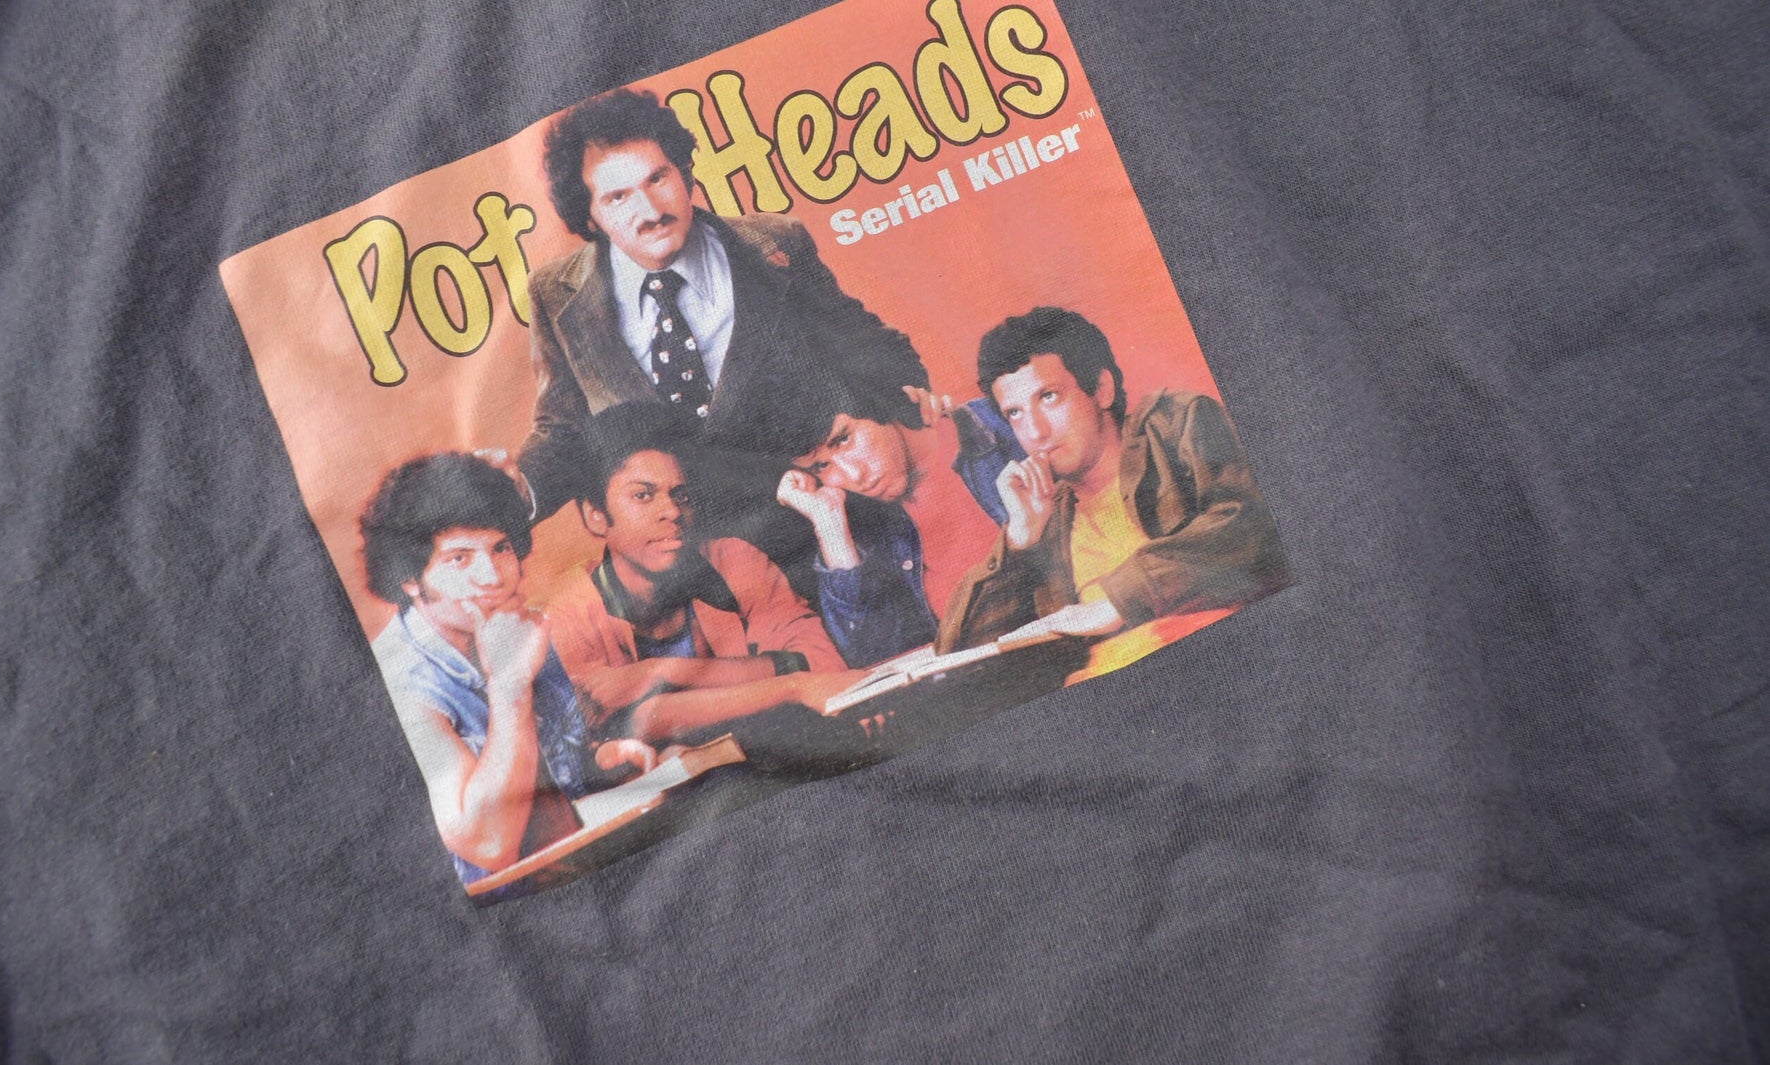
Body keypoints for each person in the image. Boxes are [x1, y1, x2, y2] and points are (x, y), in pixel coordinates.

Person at [517, 87, 928, 525]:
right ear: (589, 215)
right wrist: (514, 492)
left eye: (658, 179)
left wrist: (903, 413)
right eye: (618, 198)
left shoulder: (779, 243)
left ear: (684, 174)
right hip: (681, 542)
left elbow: (864, 345)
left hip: (807, 520)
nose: (650, 211)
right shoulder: (554, 293)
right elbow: (565, 429)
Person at [360, 454, 656, 890]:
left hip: (578, 861)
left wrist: (603, 758)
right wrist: (509, 684)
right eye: (459, 559)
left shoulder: (516, 627)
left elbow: (553, 763)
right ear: (409, 578)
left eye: (500, 548)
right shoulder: (399, 684)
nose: (492, 577)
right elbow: (489, 844)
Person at [940, 307, 1291, 654]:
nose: (1035, 432)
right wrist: (1018, 542)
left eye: (1048, 397)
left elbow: (1258, 524)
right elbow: (959, 654)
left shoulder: (1176, 426)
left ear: (1102, 389)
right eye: (1015, 413)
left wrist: (1117, 601)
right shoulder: (1045, 517)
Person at [541, 404, 859, 747]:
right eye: (643, 495)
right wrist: (791, 687)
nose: (672, 511)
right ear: (595, 515)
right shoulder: (567, 616)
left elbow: (823, 663)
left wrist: (666, 673)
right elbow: (618, 728)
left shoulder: (734, 560)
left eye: (680, 494)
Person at [770, 378, 1014, 667]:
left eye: (844, 439)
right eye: (821, 465)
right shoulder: (863, 528)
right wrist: (829, 524)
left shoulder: (1010, 423)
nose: (854, 475)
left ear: (878, 402)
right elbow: (875, 660)